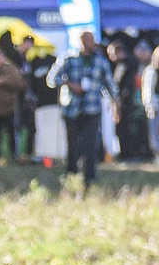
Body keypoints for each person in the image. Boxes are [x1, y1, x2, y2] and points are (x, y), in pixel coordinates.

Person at [50, 29, 111, 185]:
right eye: (86, 40)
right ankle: (71, 174)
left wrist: (115, 102)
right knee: (73, 144)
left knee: (91, 144)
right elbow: (52, 79)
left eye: (91, 39)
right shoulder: (68, 58)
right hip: (72, 108)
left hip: (92, 108)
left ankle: (89, 178)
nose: (89, 43)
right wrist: (70, 84)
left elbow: (109, 83)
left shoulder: (100, 60)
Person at [109, 37, 150, 161]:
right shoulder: (130, 63)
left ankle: (127, 154)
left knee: (124, 129)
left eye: (112, 54)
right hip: (130, 102)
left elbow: (123, 85)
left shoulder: (125, 65)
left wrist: (119, 102)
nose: (110, 57)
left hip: (126, 103)